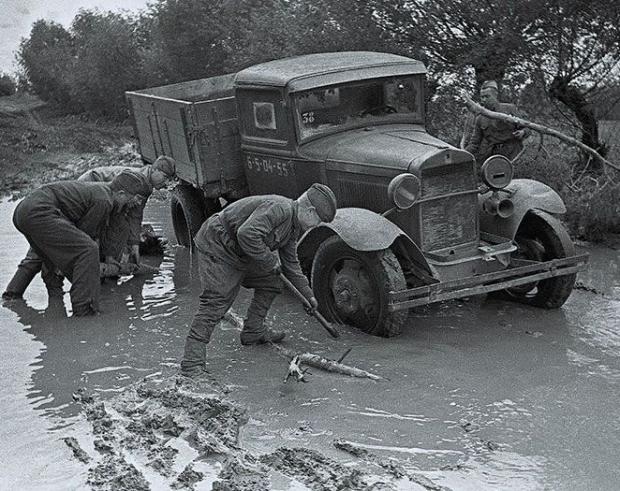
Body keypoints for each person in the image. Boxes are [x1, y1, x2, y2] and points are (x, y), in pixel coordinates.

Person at [180, 183, 338, 378]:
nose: (316, 226)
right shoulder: (280, 209)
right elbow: (247, 234)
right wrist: (269, 259)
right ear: (310, 210)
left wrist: (308, 295)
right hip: (218, 245)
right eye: (318, 220)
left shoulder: (293, 226)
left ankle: (253, 330)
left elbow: (291, 263)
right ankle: (192, 363)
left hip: (241, 251)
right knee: (216, 302)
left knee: (272, 281)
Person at [2, 156, 176, 299]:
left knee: (103, 238)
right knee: (57, 244)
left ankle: (67, 290)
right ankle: (16, 294)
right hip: (89, 191)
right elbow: (97, 225)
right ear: (154, 170)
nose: (166, 184)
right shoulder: (135, 181)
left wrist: (134, 245)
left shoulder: (144, 187)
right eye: (166, 178)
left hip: (101, 200)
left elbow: (134, 217)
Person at [7, 172, 150, 315]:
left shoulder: (106, 194)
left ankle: (15, 298)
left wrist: (110, 256)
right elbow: (86, 233)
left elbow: (115, 224)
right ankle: (84, 310)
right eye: (136, 198)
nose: (137, 203)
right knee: (88, 250)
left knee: (49, 258)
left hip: (24, 211)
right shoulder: (103, 200)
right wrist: (94, 268)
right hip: (40, 211)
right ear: (121, 193)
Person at [465, 80, 530, 165]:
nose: (484, 100)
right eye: (482, 97)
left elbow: (528, 128)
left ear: (495, 95)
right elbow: (474, 144)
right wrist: (461, 153)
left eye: (487, 96)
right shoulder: (480, 118)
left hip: (513, 152)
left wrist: (522, 132)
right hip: (493, 155)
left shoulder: (509, 109)